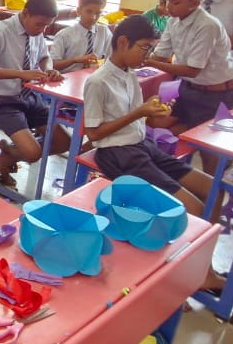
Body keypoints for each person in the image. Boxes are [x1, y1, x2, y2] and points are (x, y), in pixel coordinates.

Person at [81, 16, 225, 289]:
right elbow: (94, 134)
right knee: (191, 208)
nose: (147, 55)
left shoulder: (129, 75)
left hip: (140, 145)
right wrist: (139, 112)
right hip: (117, 152)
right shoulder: (98, 81)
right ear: (123, 42)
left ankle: (202, 264)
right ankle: (185, 276)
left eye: (150, 49)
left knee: (214, 190)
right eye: (144, 48)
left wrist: (154, 111)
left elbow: (139, 119)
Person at [0, 0, 70, 187]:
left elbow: (44, 57)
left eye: (46, 26)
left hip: (29, 97)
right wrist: (20, 74)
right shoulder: (2, 31)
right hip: (2, 100)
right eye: (39, 24)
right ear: (26, 13)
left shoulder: (36, 31)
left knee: (63, 142)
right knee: (33, 153)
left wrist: (48, 69)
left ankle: (5, 157)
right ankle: (5, 157)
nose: (42, 30)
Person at [144, 0, 233, 132]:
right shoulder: (173, 21)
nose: (169, 6)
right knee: (155, 123)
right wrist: (140, 59)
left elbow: (192, 71)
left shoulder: (207, 26)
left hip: (217, 95)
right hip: (188, 87)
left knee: (189, 138)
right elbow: (160, 55)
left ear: (195, 3)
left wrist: (149, 62)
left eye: (175, 2)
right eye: (168, 0)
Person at [51, 0, 112, 73]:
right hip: (68, 77)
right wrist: (75, 60)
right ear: (78, 11)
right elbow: (53, 64)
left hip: (93, 77)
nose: (93, 17)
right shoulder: (64, 35)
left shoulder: (104, 32)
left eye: (98, 13)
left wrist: (100, 63)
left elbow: (112, 57)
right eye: (89, 11)